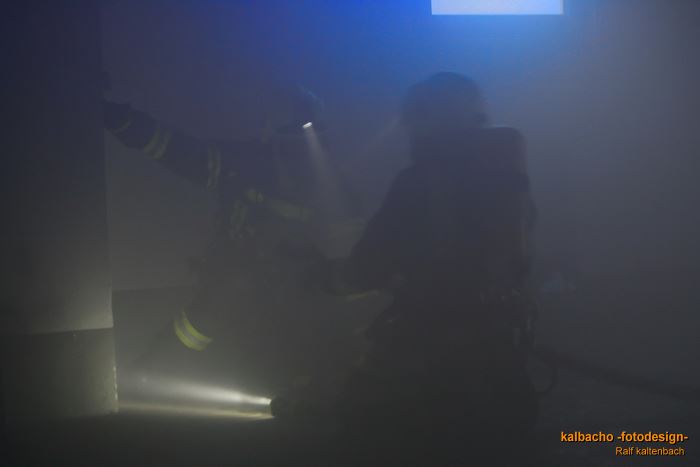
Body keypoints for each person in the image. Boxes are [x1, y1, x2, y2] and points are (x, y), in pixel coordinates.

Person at [322, 72, 539, 466]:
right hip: (498, 347)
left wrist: (323, 278)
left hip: (428, 352)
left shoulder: (416, 182)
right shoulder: (505, 175)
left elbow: (368, 267)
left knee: (363, 431)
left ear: (427, 118)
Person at [104, 83, 365, 391]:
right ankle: (149, 381)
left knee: (204, 329)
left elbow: (174, 149)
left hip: (256, 287)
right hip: (264, 287)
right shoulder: (327, 178)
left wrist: (116, 117)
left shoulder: (250, 163)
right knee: (211, 328)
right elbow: (174, 148)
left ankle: (147, 382)